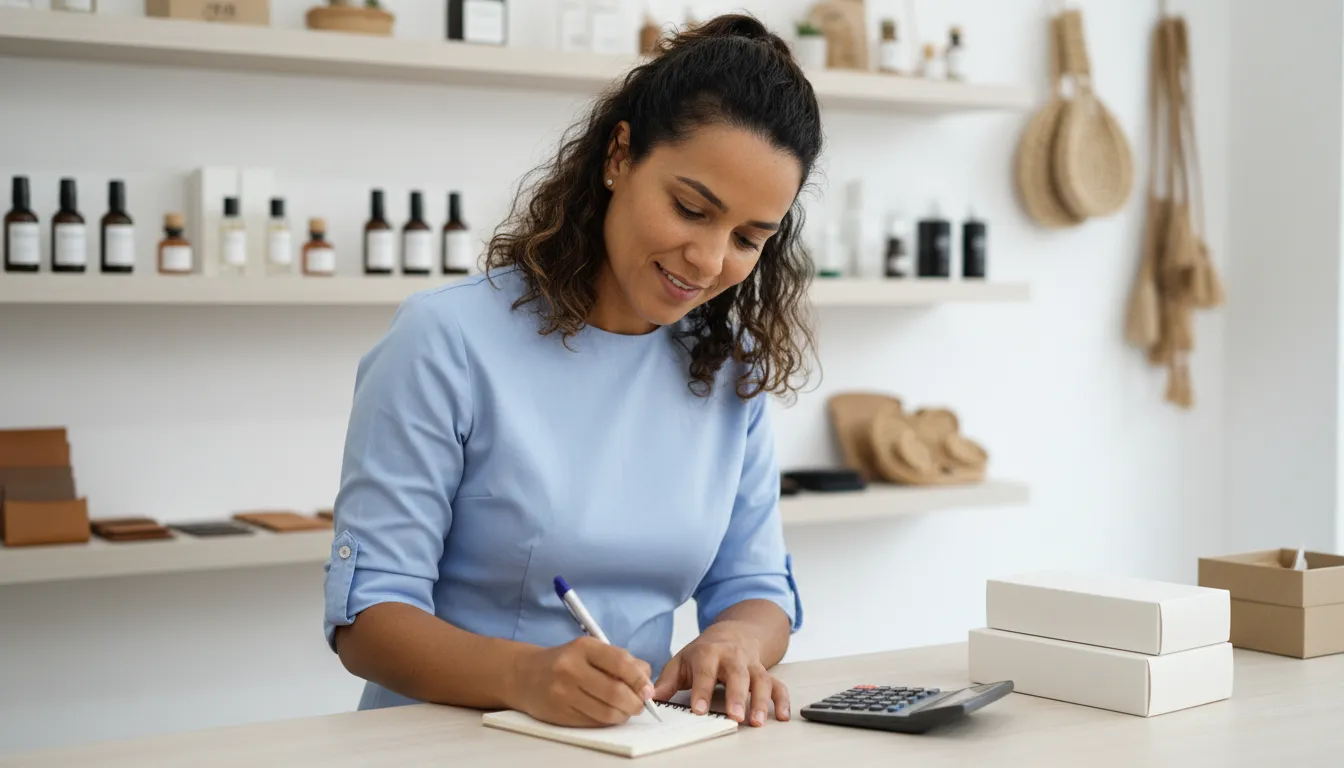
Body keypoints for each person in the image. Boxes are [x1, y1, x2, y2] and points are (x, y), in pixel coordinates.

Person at [323, 12, 824, 730]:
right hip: (439, 742)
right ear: (620, 156)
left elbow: (754, 586)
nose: (711, 261)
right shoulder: (447, 339)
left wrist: (735, 640)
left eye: (749, 238)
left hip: (626, 743)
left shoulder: (724, 367)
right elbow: (367, 618)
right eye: (690, 209)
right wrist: (521, 675)